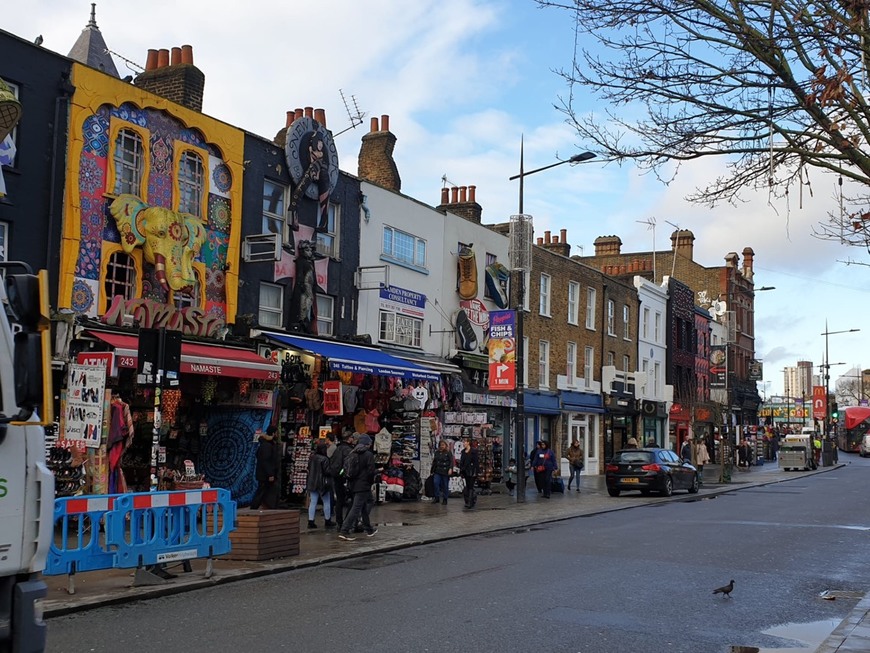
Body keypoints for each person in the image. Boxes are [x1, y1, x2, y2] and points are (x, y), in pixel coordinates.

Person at [338, 434, 378, 541]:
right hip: (363, 485)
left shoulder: (352, 452)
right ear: (366, 444)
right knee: (356, 508)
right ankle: (344, 530)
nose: (370, 445)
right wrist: (371, 481)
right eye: (369, 443)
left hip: (353, 484)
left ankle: (369, 529)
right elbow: (370, 472)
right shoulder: (368, 455)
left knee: (367, 503)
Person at [250, 426, 281, 510]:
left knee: (265, 490)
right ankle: (254, 506)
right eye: (277, 433)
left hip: (264, 473)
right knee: (262, 491)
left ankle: (265, 506)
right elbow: (266, 461)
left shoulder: (266, 445)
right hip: (265, 474)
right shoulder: (267, 446)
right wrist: (270, 474)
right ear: (273, 433)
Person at [306, 442, 334, 529]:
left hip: (312, 482)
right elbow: (327, 472)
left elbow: (309, 468)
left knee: (313, 502)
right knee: (326, 501)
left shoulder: (312, 457)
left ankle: (311, 521)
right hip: (322, 483)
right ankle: (327, 520)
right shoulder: (325, 459)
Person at [330, 431, 354, 528]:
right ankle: (347, 522)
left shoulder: (337, 448)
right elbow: (349, 464)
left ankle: (339, 522)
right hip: (345, 478)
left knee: (339, 500)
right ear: (349, 438)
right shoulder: (348, 450)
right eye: (352, 437)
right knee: (351, 500)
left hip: (336, 477)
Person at [430, 439, 455, 505]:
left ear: (446, 445)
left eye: (443, 445)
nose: (442, 446)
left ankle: (445, 498)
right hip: (437, 470)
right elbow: (434, 462)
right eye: (441, 445)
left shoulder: (448, 452)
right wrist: (432, 470)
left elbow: (451, 461)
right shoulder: (437, 452)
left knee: (445, 485)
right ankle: (436, 497)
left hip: (445, 471)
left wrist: (450, 468)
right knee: (436, 483)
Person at [458, 438, 480, 509]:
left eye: (465, 442)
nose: (463, 443)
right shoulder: (463, 452)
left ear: (468, 443)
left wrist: (476, 471)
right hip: (465, 472)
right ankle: (469, 500)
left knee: (470, 486)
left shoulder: (474, 451)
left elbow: (476, 462)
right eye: (463, 442)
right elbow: (462, 462)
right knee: (467, 486)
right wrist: (461, 470)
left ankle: (469, 502)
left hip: (471, 471)